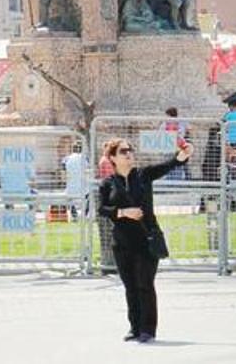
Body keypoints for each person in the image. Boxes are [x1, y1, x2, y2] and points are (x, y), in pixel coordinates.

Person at [98, 137, 194, 343]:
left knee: (145, 284)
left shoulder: (143, 175)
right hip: (122, 243)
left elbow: (170, 165)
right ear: (113, 157)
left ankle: (148, 329)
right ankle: (134, 327)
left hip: (146, 239)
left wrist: (183, 154)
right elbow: (102, 209)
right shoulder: (107, 183)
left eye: (130, 150)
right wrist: (123, 212)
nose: (129, 153)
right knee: (130, 286)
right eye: (123, 151)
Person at [160, 107, 191, 181]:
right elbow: (189, 128)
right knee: (177, 162)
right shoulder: (181, 122)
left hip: (171, 146)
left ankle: (173, 179)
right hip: (177, 145)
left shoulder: (167, 123)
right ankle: (177, 179)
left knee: (171, 162)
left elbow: (161, 132)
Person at [63, 140, 89, 220]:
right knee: (89, 196)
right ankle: (84, 214)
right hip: (84, 185)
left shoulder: (66, 159)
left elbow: (63, 175)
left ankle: (74, 214)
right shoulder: (86, 159)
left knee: (69, 197)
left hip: (71, 185)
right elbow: (89, 171)